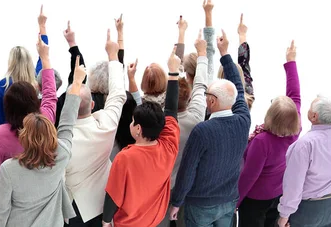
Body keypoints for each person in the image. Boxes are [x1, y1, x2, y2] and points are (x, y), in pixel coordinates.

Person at [0, 56, 87, 227]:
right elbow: (67, 123)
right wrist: (77, 81)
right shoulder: (61, 155)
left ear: (24, 138)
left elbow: (0, 214)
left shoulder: (8, 170)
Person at [168, 30, 251, 227]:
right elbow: (239, 88)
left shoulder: (203, 131)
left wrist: (176, 202)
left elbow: (187, 172)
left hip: (201, 205)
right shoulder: (244, 119)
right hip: (229, 200)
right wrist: (225, 54)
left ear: (211, 101)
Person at [277, 34, 331, 227]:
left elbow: (293, 187)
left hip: (306, 210)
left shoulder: (304, 145)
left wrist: (283, 218)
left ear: (313, 117)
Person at [101, 46, 181, 227]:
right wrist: (173, 72)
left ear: (137, 129)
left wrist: (106, 222)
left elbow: (113, 196)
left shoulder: (125, 158)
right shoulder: (169, 147)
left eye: (132, 121)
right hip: (154, 220)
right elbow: (171, 111)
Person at [0, 35, 57, 214]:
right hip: (38, 147)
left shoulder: (0, 86)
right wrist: (43, 32)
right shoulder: (36, 86)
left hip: (8, 149)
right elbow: (49, 90)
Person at [65, 30, 127, 226]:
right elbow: (117, 94)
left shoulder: (61, 138)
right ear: (92, 105)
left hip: (73, 209)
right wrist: (113, 57)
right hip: (101, 203)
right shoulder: (106, 125)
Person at [237, 40, 302, 227]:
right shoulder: (295, 129)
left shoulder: (262, 142)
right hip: (278, 193)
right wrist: (291, 63)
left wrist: (237, 201)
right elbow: (295, 95)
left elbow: (250, 175)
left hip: (256, 200)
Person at [0, 6, 48, 138]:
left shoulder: (1, 86)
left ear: (10, 62)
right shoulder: (35, 83)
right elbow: (44, 56)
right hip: (34, 141)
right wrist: (42, 26)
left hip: (7, 141)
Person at [171, 30, 209, 227]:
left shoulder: (162, 120)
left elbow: (172, 80)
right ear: (189, 98)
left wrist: (180, 36)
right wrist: (203, 54)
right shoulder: (196, 117)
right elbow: (201, 85)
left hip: (163, 186)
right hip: (187, 186)